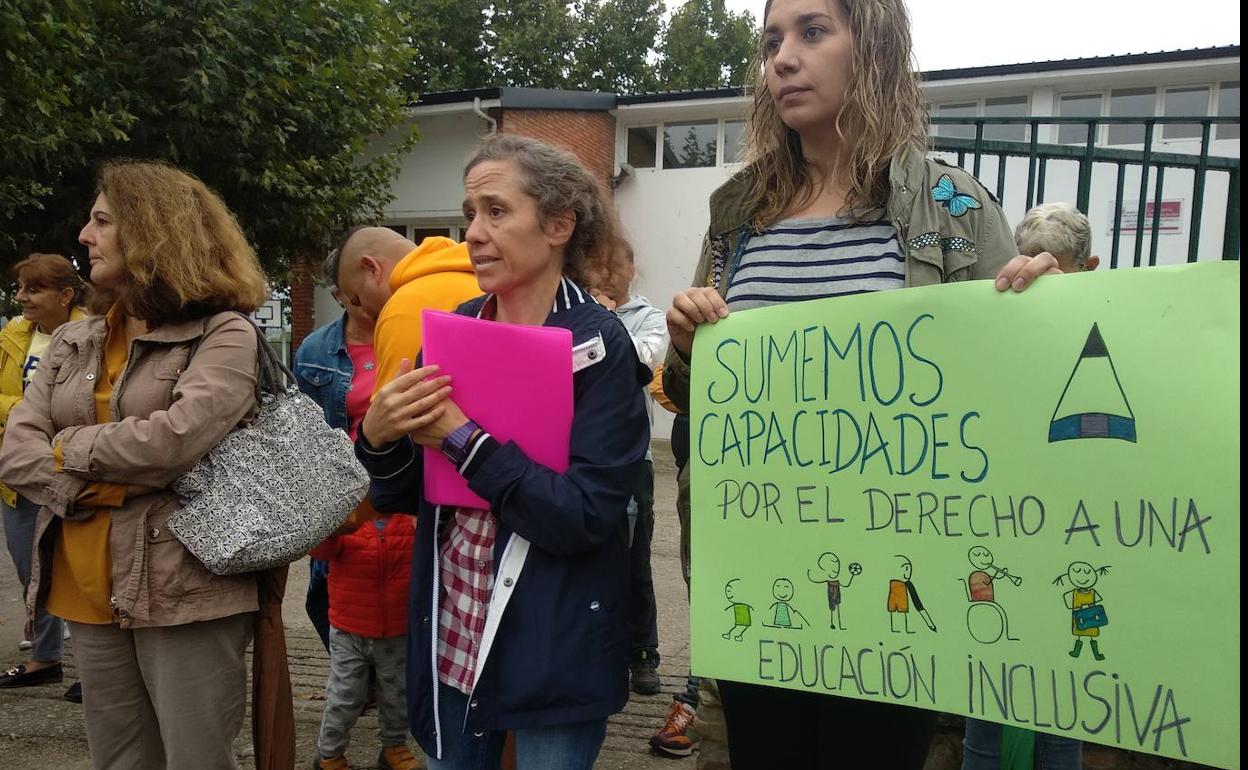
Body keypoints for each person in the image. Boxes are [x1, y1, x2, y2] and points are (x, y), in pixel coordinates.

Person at [659, 0, 1060, 766]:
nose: (782, 58)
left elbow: (1012, 391)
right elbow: (696, 395)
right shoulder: (738, 214)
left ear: (872, 47)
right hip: (759, 574)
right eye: (773, 39)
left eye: (813, 32)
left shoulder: (952, 206)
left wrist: (1044, 306)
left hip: (893, 585)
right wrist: (685, 345)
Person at [356, 134, 650, 770]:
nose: (474, 234)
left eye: (496, 211)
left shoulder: (600, 346)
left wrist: (465, 440)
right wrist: (378, 438)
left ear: (557, 224)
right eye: (469, 214)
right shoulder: (455, 329)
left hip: (555, 638)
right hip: (453, 628)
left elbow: (584, 515)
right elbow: (406, 495)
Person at [0, 160, 289, 770]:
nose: (84, 234)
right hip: (82, 582)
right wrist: (87, 486)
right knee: (121, 760)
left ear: (155, 233)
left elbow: (172, 444)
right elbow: (14, 447)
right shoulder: (78, 339)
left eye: (102, 220)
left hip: (184, 586)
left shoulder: (223, 333)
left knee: (196, 759)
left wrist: (66, 449)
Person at [961, 203, 1097, 770]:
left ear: (1088, 267)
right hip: (1005, 537)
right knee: (988, 698)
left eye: (1056, 267)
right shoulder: (989, 319)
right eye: (1029, 261)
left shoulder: (1114, 325)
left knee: (1064, 705)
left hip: (1078, 538)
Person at [0, 254, 88, 703]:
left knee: (82, 569)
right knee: (29, 568)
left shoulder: (92, 333)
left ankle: (98, 672)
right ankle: (45, 658)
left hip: (73, 471)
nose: (21, 298)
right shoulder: (14, 336)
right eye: (19, 288)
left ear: (66, 295)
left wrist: (27, 411)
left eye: (32, 289)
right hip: (18, 472)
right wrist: (23, 412)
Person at [586, 238, 668, 697]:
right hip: (581, 456)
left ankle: (643, 653)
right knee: (590, 559)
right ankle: (598, 651)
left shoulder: (649, 318)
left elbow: (641, 360)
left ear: (631, 268)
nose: (604, 273)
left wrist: (600, 322)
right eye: (596, 264)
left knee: (635, 559)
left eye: (613, 264)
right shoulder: (571, 311)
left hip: (631, 460)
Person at [294, 246, 380, 652]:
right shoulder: (315, 351)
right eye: (351, 296)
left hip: (395, 489)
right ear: (338, 294)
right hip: (342, 490)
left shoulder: (408, 332)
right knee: (325, 588)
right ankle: (351, 673)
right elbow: (305, 431)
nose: (362, 304)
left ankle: (389, 680)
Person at [308, 503, 420, 770]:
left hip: (397, 630)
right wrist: (336, 522)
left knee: (397, 696)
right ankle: (329, 754)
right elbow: (320, 550)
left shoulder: (410, 520)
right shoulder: (348, 520)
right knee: (345, 695)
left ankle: (394, 747)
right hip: (349, 630)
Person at [334, 226, 481, 391]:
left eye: (357, 299)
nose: (364, 314)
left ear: (372, 268)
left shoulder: (402, 308)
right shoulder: (486, 279)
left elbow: (395, 413)